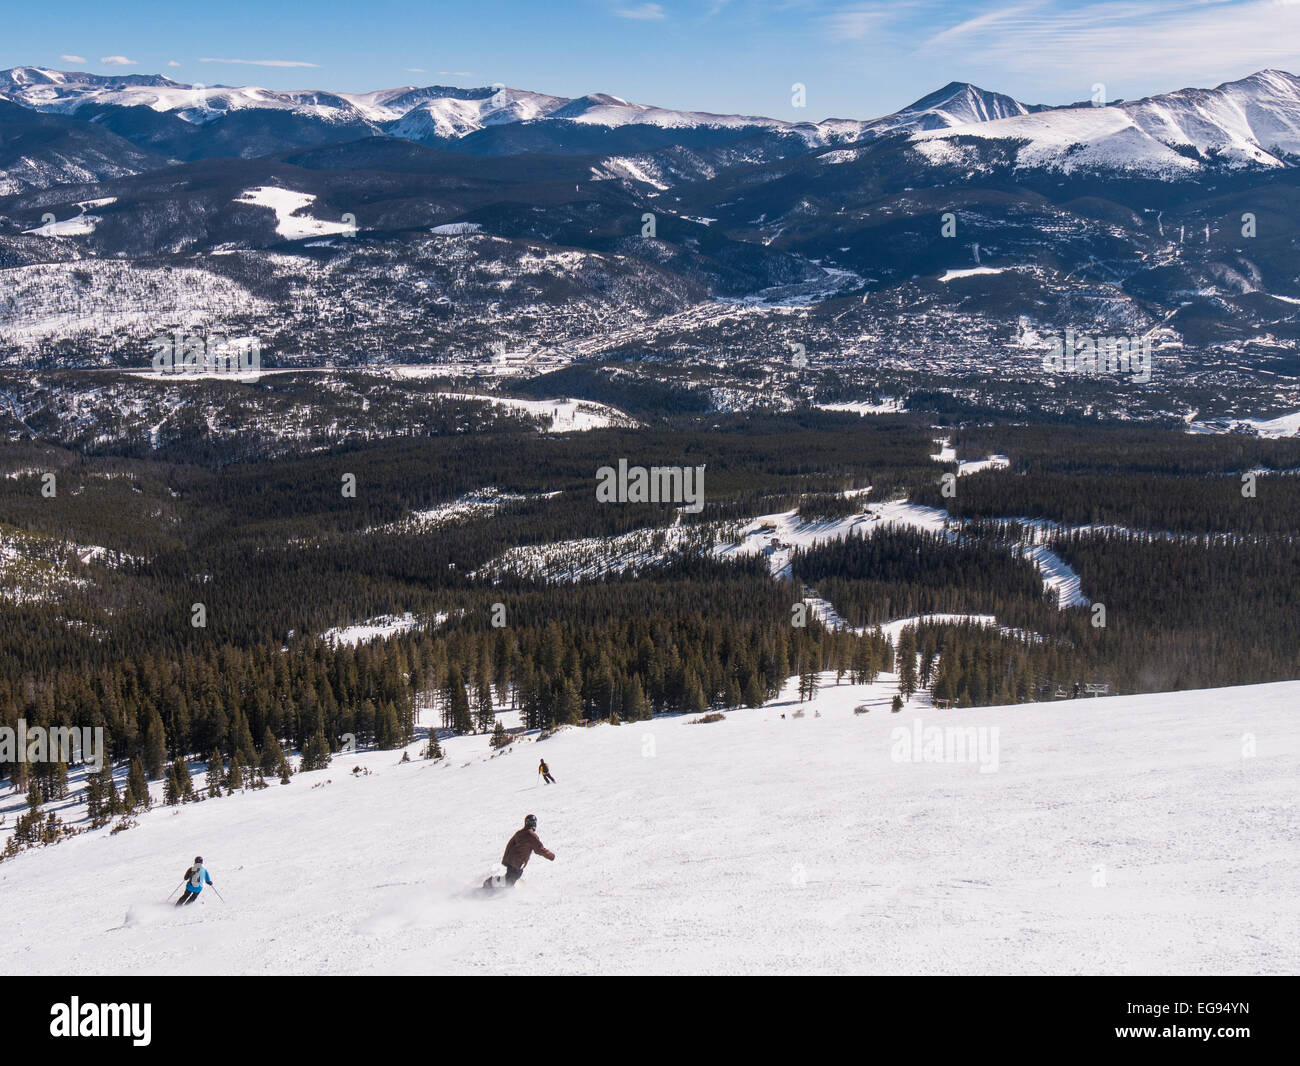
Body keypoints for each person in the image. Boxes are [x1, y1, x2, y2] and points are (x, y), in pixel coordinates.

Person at [484, 814, 554, 889]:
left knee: (510, 877)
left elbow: (509, 845)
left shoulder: (519, 833)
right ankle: (490, 884)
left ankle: (499, 885)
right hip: (518, 863)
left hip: (512, 860)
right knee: (509, 880)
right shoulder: (531, 835)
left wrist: (505, 860)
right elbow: (539, 849)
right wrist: (551, 856)